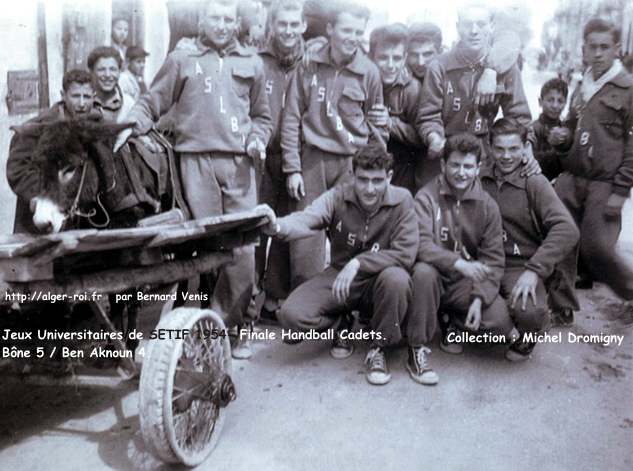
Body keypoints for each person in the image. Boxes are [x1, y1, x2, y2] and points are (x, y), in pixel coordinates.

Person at [127, 0, 273, 359]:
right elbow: (152, 101)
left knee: (242, 253)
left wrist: (257, 139)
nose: (221, 25)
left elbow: (262, 117)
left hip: (239, 166)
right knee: (205, 247)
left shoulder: (252, 63)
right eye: (214, 18)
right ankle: (193, 330)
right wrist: (131, 124)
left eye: (228, 19)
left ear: (237, 22)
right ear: (201, 20)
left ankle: (226, 329)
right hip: (195, 163)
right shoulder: (182, 58)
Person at [263, 144, 436, 386]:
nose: (369, 188)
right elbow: (308, 218)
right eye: (363, 179)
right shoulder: (338, 196)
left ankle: (380, 348)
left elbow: (405, 254)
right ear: (352, 176)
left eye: (377, 181)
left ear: (389, 177)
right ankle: (342, 323)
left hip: (380, 280)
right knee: (292, 316)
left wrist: (359, 262)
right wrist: (277, 226)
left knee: (397, 279)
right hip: (340, 278)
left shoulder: (402, 200)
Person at [280, 1, 384, 290]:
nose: (352, 37)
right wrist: (293, 168)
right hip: (313, 160)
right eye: (346, 30)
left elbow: (377, 125)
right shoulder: (308, 65)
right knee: (305, 239)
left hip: (352, 164)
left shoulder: (369, 73)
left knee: (353, 238)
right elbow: (291, 117)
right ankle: (304, 306)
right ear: (330, 29)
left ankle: (350, 306)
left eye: (358, 31)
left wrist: (374, 170)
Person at [410, 133, 520, 358]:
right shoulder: (425, 197)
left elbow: (493, 260)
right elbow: (419, 244)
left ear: (478, 168)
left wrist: (479, 298)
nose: (461, 172)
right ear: (443, 165)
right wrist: (457, 263)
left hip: (463, 284)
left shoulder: (488, 205)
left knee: (501, 326)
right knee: (423, 272)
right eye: (455, 165)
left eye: (468, 166)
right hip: (432, 279)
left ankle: (452, 320)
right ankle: (417, 345)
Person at [553, 18, 633, 325]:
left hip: (605, 181)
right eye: (592, 47)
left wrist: (621, 190)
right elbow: (572, 129)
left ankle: (630, 290)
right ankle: (561, 307)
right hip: (572, 177)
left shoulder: (628, 89)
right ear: (583, 50)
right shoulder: (580, 84)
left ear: (616, 49)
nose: (598, 53)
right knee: (559, 238)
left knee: (596, 246)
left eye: (604, 47)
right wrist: (562, 141)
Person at [480, 118, 579, 360]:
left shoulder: (534, 181)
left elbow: (567, 229)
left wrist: (534, 270)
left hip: (520, 264)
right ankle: (498, 323)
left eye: (514, 148)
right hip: (484, 262)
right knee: (474, 310)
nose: (506, 156)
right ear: (489, 148)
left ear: (526, 147)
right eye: (500, 149)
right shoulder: (478, 177)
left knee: (530, 313)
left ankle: (528, 332)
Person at [416, 3, 534, 166]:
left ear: (491, 26)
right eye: (467, 24)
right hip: (446, 151)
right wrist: (434, 137)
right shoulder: (439, 66)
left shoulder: (505, 68)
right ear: (458, 27)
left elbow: (519, 117)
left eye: (481, 24)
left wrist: (526, 149)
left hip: (484, 156)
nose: (474, 31)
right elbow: (428, 116)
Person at [256, 0, 307, 321]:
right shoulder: (257, 60)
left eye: (294, 24)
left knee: (291, 229)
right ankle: (250, 299)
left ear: (302, 25)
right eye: (282, 24)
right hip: (262, 158)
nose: (288, 31)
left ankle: (278, 298)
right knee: (259, 227)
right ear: (272, 26)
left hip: (300, 160)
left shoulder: (312, 61)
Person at [7, 69, 98, 234]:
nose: (82, 103)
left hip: (79, 224)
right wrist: (46, 195)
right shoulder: (36, 128)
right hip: (39, 222)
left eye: (87, 97)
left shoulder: (94, 128)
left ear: (94, 97)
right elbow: (17, 170)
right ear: (63, 95)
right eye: (76, 96)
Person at [368, 23, 424, 195]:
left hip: (401, 163)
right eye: (383, 58)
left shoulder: (412, 88)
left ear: (405, 57)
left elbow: (421, 137)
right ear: (371, 56)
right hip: (365, 160)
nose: (391, 65)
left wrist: (391, 123)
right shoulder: (363, 79)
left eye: (397, 58)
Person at [532, 78, 571, 181]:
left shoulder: (565, 129)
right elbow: (532, 161)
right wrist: (552, 146)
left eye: (560, 101)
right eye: (550, 100)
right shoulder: (534, 129)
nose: (555, 106)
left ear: (565, 103)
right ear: (540, 102)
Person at [87, 46, 131, 122]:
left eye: (113, 69)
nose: (107, 75)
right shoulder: (83, 101)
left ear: (119, 72)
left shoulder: (129, 104)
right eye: (101, 69)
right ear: (91, 72)